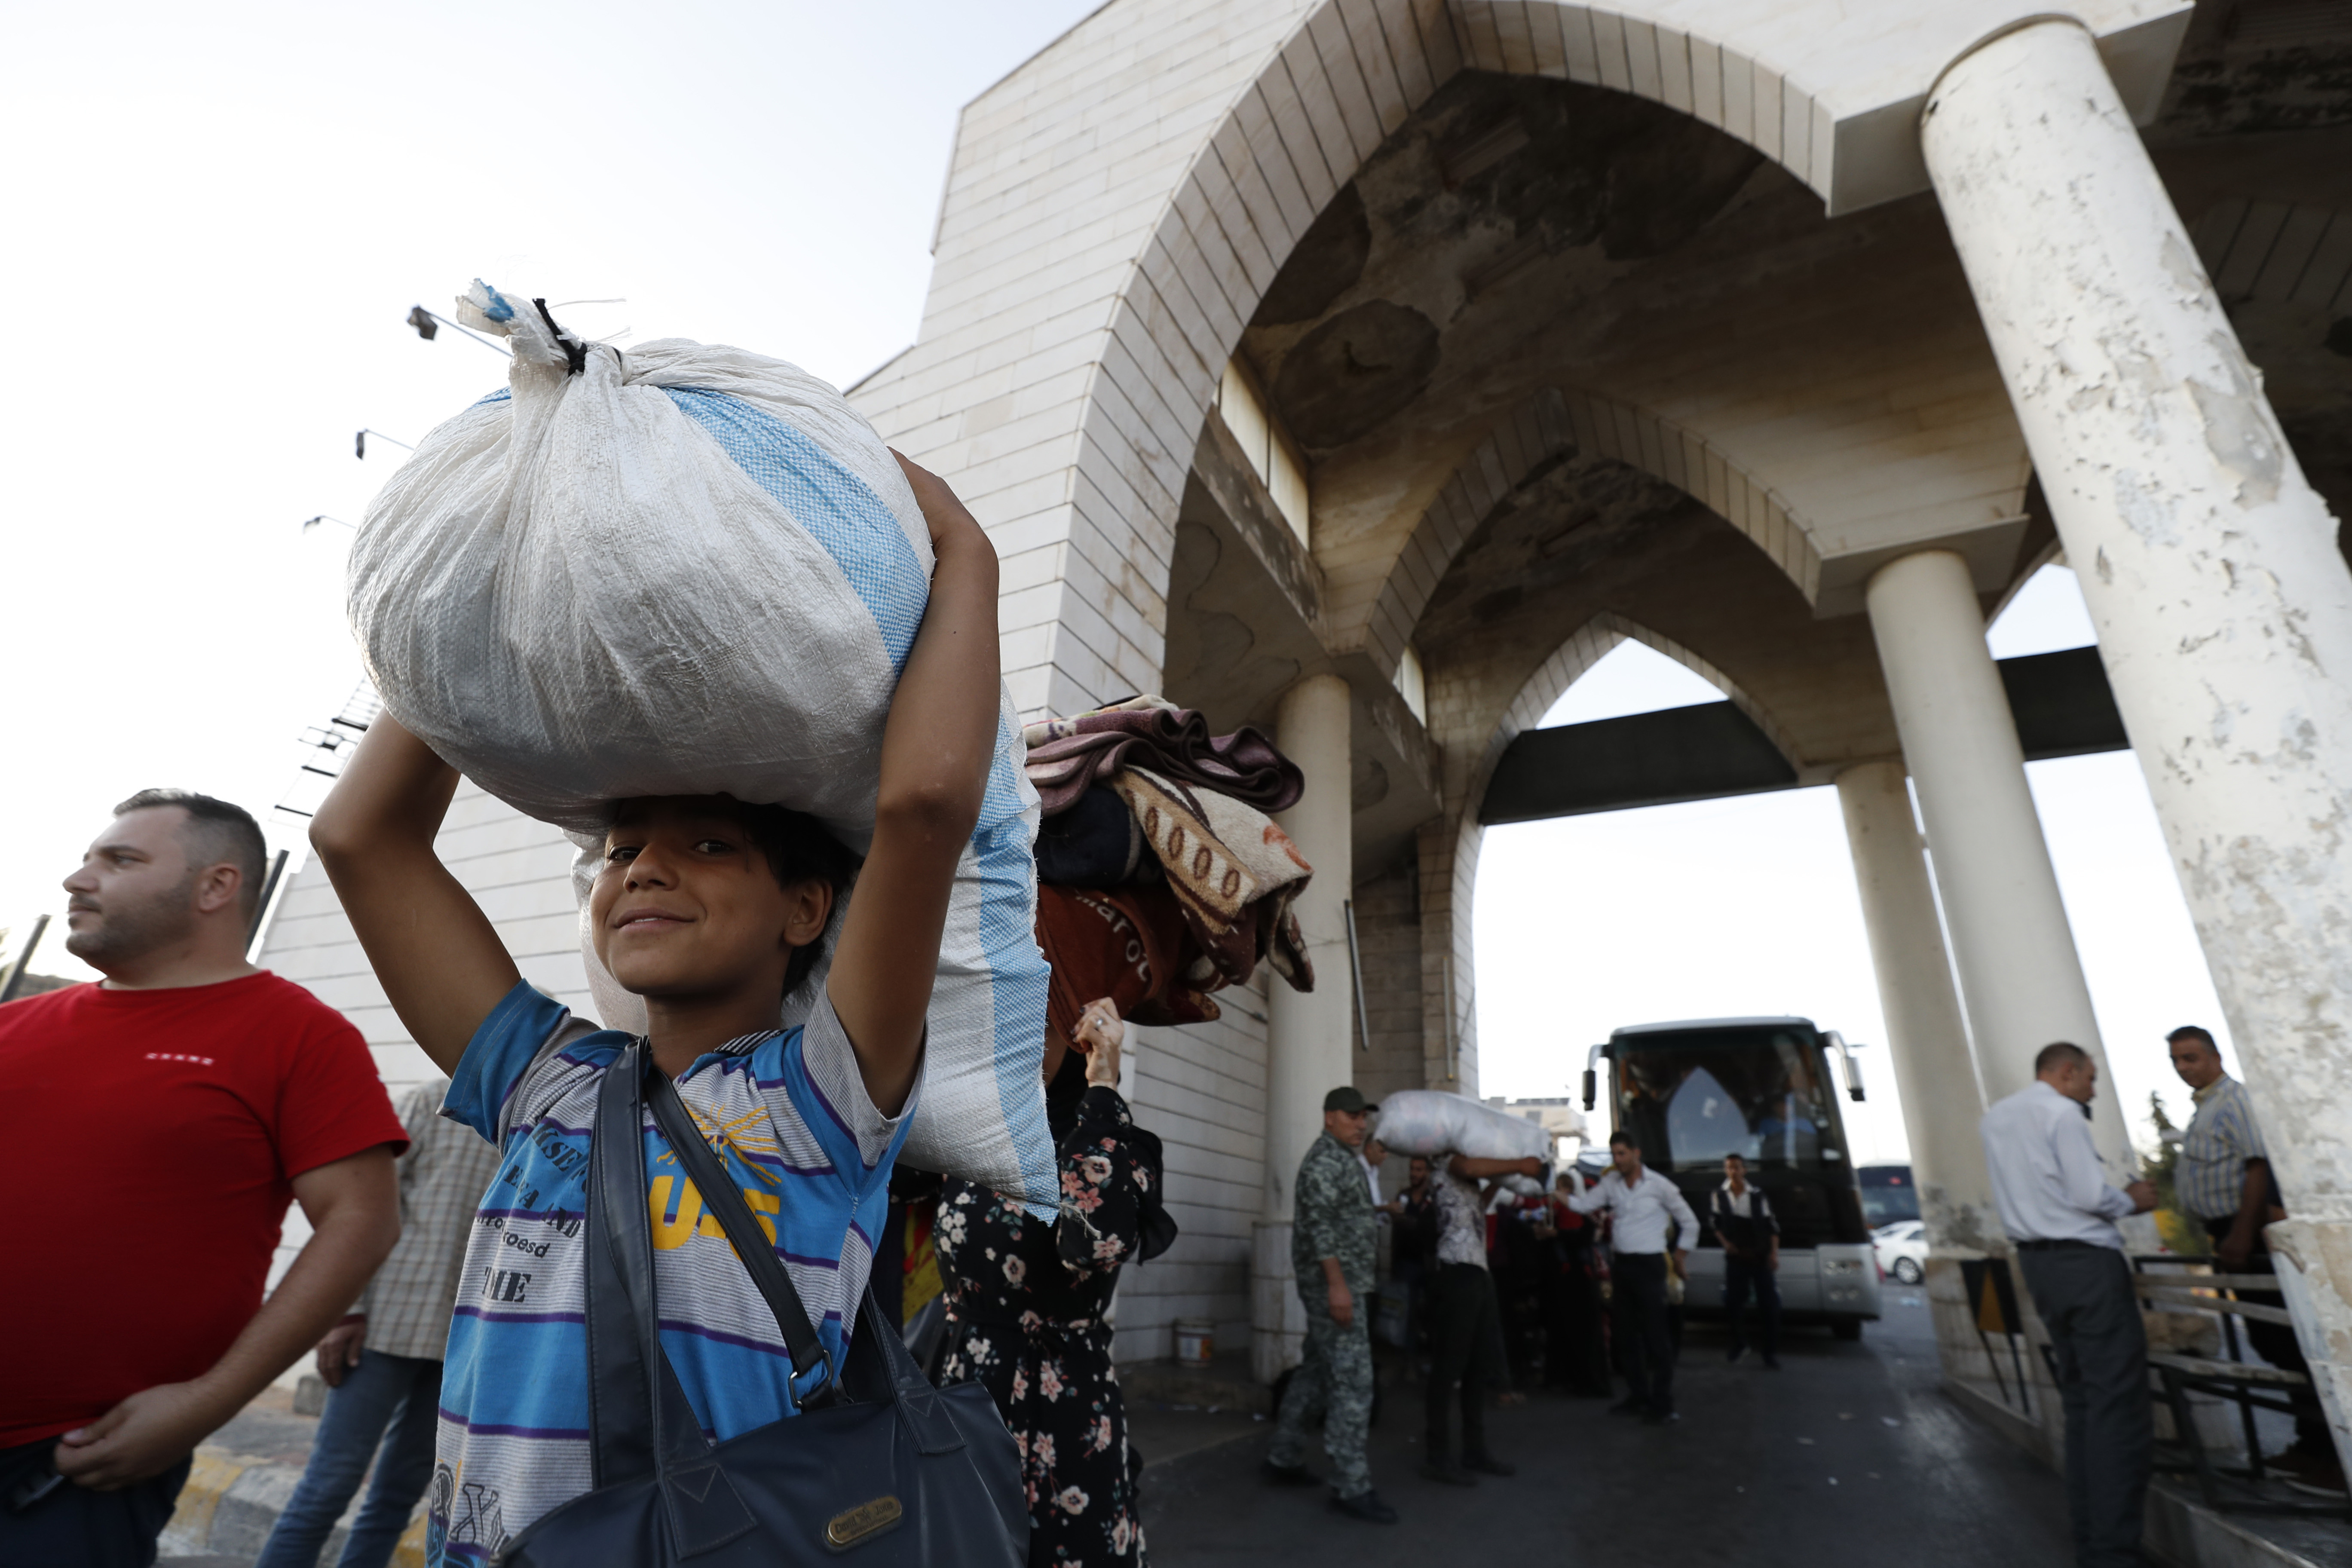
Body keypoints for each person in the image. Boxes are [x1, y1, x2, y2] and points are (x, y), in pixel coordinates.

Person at [308, 452, 1003, 1566]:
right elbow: (360, 840)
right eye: (624, 847)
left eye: (709, 847)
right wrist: (474, 576)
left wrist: (968, 554)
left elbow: (922, 808)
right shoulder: (549, 1080)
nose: (642, 869)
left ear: (806, 907)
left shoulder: (819, 1098)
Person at [0, 790, 407, 1568]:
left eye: (119, 860)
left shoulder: (298, 1034)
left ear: (215, 886)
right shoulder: (12, 1025)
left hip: (68, 1467)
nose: (76, 879)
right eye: (89, 857)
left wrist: (206, 1402)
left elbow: (363, 1221)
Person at [937, 998, 1164, 1566]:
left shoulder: (1118, 1144)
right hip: (966, 1393)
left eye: (1042, 1028)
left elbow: (1093, 1243)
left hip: (1062, 1407)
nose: (1023, 1046)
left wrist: (1104, 1086)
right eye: (1008, 1027)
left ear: (1074, 1037)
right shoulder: (967, 1136)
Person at [255, 1079, 502, 1568]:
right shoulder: (429, 1102)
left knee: (401, 1495)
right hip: (384, 1323)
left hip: (465, 1337)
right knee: (329, 1485)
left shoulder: (535, 1121)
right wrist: (345, 1309)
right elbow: (361, 1211)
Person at [1981, 1041, 2159, 1568]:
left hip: (2040, 1268)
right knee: (2118, 1411)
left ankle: (2092, 1542)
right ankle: (2113, 1552)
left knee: (2082, 1406)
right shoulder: (2063, 1114)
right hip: (2087, 1266)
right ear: (2065, 1072)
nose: (2094, 1090)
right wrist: (2132, 1199)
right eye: (2090, 1079)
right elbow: (2087, 1195)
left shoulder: (1996, 1119)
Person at [2165, 1026, 2341, 1491]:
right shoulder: (2205, 1107)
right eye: (2177, 1061)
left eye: (2191, 1058)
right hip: (2226, 1237)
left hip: (2245, 1235)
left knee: (2284, 1339)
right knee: (2268, 1341)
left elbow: (2257, 1165)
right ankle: (2309, 1445)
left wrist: (2243, 1234)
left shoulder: (2234, 1100)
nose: (2184, 1068)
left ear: (2215, 1056)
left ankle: (2328, 1454)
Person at [1265, 1086, 1395, 1524]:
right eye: (1353, 1116)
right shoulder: (1325, 1161)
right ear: (1330, 1117)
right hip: (1335, 1289)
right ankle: (1351, 1484)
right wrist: (1338, 1287)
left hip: (1345, 1285)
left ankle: (1283, 1455)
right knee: (1354, 1382)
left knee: (1317, 1372)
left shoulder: (1343, 1158)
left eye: (1365, 1118)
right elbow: (1320, 1228)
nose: (1361, 1124)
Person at [1421, 1147, 1543, 1482]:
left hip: (1477, 1272)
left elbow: (1478, 1202)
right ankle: (1437, 1456)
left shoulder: (1465, 1174)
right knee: (1448, 1368)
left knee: (1477, 1366)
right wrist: (1519, 1164)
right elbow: (1472, 1164)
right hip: (1457, 1273)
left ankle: (1474, 1451)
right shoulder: (1447, 1160)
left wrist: (1502, 1181)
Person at [1561, 1130, 1698, 1424]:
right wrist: (1557, 1194)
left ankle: (1662, 1402)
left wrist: (1680, 1257)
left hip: (1649, 1266)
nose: (1618, 1160)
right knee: (1627, 1336)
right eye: (1614, 1155)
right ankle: (1638, 1396)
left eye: (1622, 1154)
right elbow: (1585, 1206)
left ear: (1637, 1153)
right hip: (1622, 1267)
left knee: (1655, 1336)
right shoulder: (1611, 1183)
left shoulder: (1660, 1186)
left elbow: (1691, 1223)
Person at [1712, 1152, 1780, 1369]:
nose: (1733, 1172)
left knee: (1769, 1305)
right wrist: (1726, 1244)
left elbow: (1772, 1227)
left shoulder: (1757, 1195)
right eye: (1729, 1168)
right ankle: (1740, 1344)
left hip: (1759, 1256)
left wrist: (1773, 1254)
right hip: (1736, 1256)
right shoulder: (1719, 1195)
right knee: (1733, 1303)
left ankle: (1769, 1352)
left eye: (1737, 1168)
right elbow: (1716, 1224)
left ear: (1744, 1170)